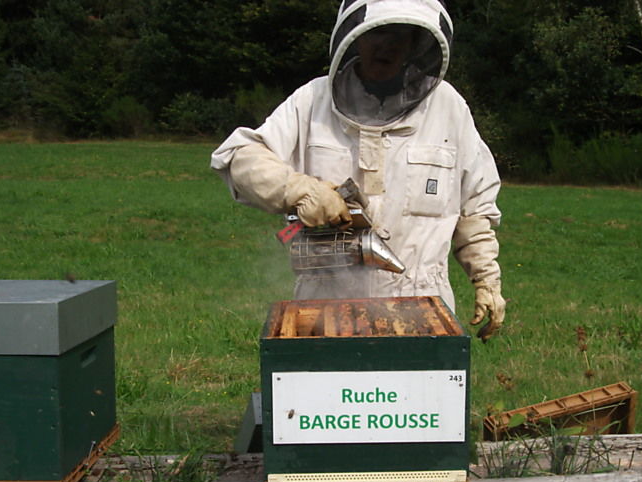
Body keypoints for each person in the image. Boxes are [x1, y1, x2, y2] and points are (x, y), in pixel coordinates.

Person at [211, 0, 506, 341]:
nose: (388, 46)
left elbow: (474, 209)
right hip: (324, 308)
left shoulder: (448, 107)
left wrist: (486, 280)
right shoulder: (312, 100)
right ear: (355, 36)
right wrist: (299, 189)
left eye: (401, 36)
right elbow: (239, 157)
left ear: (415, 45)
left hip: (421, 307)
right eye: (378, 33)